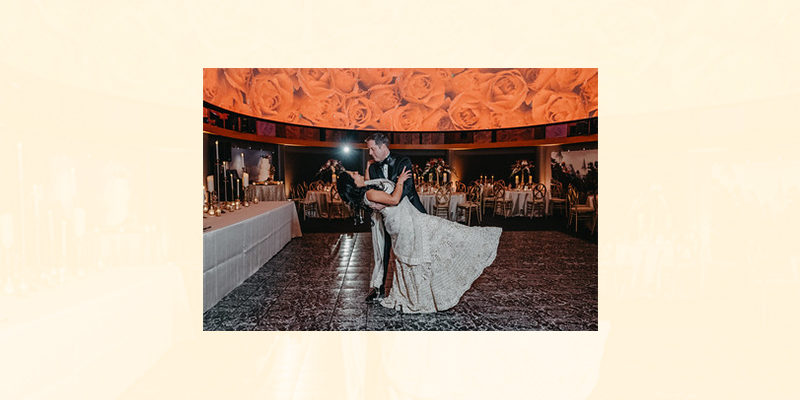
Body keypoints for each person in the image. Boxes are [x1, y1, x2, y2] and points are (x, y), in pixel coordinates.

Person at [336, 168, 502, 313]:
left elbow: (387, 201)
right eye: (353, 174)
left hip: (403, 223)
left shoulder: (366, 194)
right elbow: (394, 200)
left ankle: (423, 295)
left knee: (438, 235)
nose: (357, 173)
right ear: (352, 183)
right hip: (407, 224)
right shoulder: (369, 193)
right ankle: (478, 239)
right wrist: (400, 181)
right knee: (446, 232)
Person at [363, 133, 426, 303]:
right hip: (383, 217)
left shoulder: (402, 161)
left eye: (372, 148)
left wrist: (385, 203)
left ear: (383, 146)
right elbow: (370, 191)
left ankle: (418, 289)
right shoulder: (373, 167)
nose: (370, 153)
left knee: (413, 250)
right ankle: (378, 289)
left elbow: (406, 188)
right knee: (381, 251)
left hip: (408, 214)